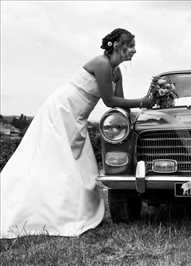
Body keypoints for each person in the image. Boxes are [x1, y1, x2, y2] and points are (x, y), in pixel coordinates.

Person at [0, 28, 153, 238]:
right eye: (131, 46)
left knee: (73, 164)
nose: (134, 51)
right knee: (53, 160)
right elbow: (109, 101)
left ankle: (64, 207)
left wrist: (145, 110)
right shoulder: (102, 64)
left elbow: (120, 105)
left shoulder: (116, 72)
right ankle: (39, 209)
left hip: (78, 117)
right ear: (118, 45)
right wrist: (143, 100)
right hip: (63, 110)